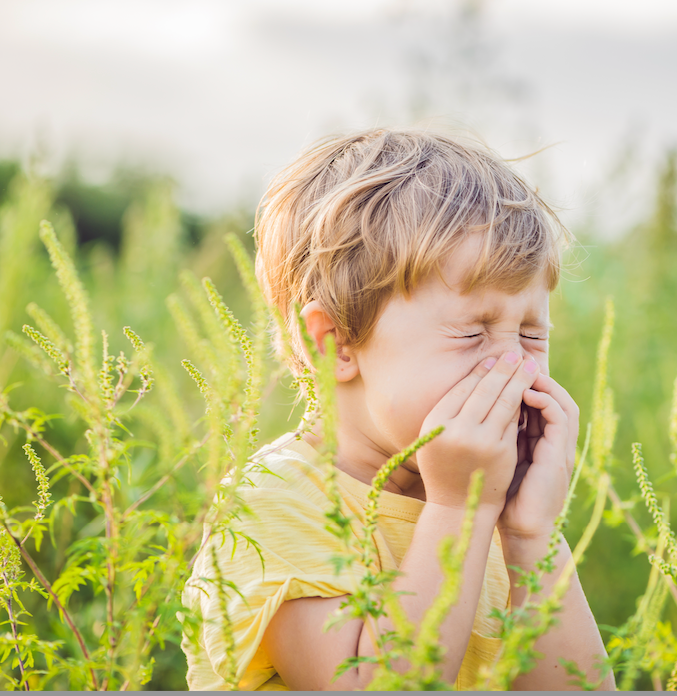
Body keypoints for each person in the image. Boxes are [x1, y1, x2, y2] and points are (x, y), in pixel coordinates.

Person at [181, 128, 614, 690]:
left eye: (532, 335)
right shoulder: (275, 507)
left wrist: (534, 535)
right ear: (333, 343)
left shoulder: (493, 506)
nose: (515, 369)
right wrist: (459, 510)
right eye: (472, 333)